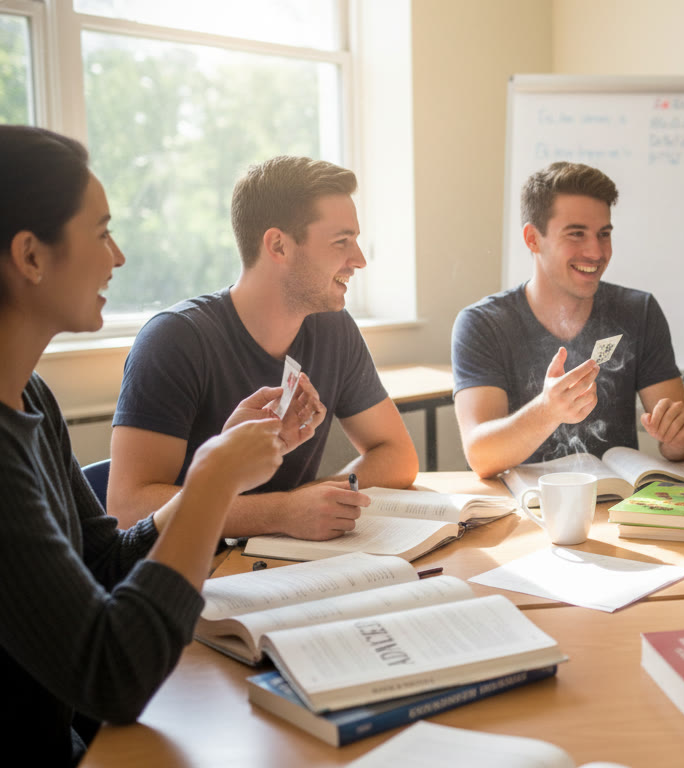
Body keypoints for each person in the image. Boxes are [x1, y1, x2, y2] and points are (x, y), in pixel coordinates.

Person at [0, 125, 286, 765]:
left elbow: (100, 563)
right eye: (101, 232)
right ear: (31, 256)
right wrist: (210, 483)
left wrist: (217, 467)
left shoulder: (32, 397)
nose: (118, 256)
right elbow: (113, 677)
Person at [108, 156, 419, 540]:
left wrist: (316, 499)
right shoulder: (175, 340)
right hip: (195, 577)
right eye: (342, 241)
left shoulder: (334, 327)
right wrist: (282, 513)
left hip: (286, 567)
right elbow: (128, 507)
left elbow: (398, 456)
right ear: (278, 245)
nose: (359, 260)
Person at [453, 161, 684, 479]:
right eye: (576, 234)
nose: (596, 252)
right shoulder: (482, 324)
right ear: (532, 239)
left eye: (604, 234)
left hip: (621, 512)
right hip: (526, 514)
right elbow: (481, 455)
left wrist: (680, 439)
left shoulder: (639, 311)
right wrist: (547, 411)